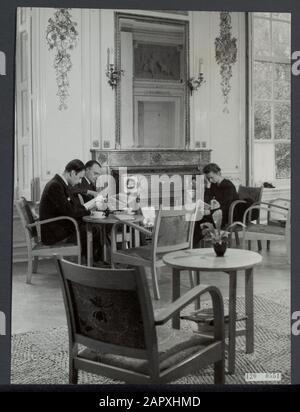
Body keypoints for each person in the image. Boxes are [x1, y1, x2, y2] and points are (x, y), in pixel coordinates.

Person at [39, 159, 96, 257]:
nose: (79, 182)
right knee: (93, 229)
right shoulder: (55, 186)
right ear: (73, 173)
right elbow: (70, 211)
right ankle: (90, 263)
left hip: (57, 226)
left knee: (94, 227)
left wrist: (87, 210)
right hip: (53, 233)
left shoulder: (60, 183)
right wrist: (89, 212)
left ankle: (91, 261)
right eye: (80, 178)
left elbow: (72, 206)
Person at [193, 163, 238, 246]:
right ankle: (191, 245)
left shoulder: (228, 186)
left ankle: (191, 245)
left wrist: (209, 212)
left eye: (211, 177)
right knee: (196, 219)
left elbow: (226, 206)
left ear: (218, 173)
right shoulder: (214, 184)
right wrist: (208, 186)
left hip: (226, 215)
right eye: (208, 178)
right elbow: (206, 199)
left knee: (199, 221)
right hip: (216, 212)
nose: (210, 180)